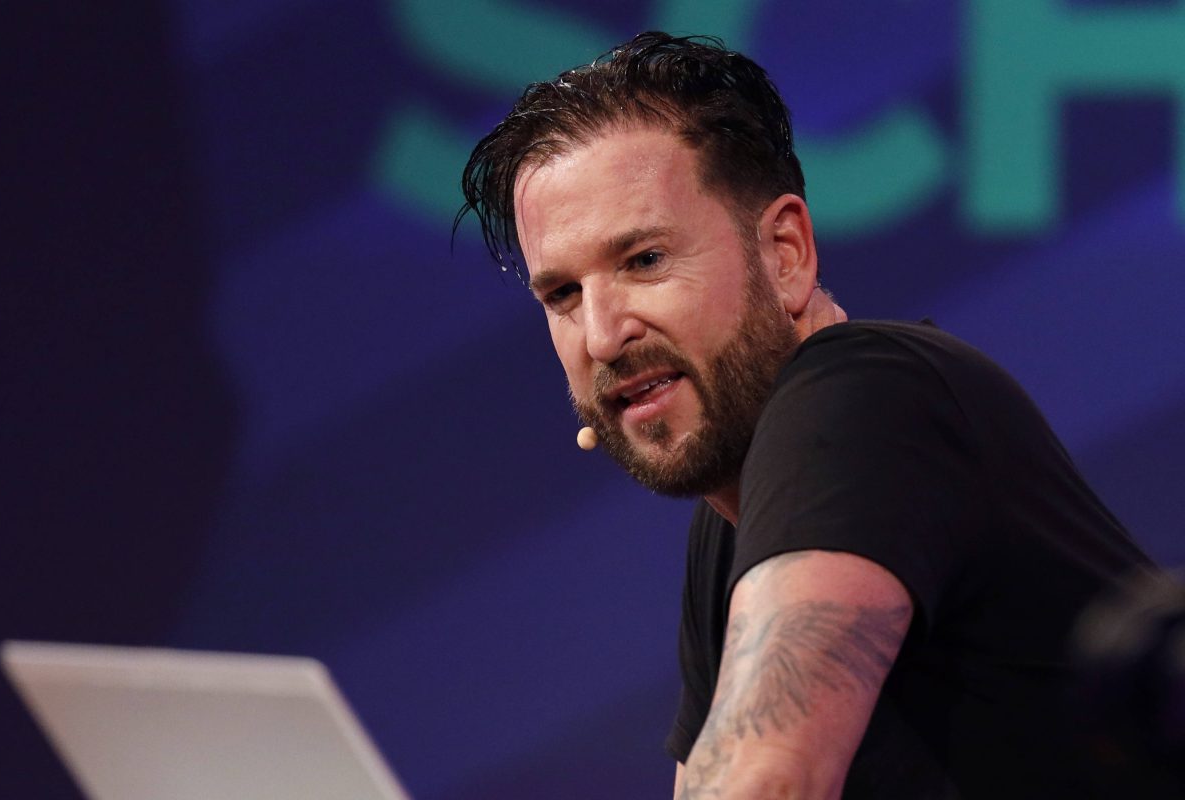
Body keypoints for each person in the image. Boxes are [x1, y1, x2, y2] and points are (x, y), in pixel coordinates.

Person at [458, 31, 1174, 798]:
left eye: (645, 261)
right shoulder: (734, 516)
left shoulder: (863, 398)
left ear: (786, 253)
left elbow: (766, 778)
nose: (602, 336)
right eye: (563, 294)